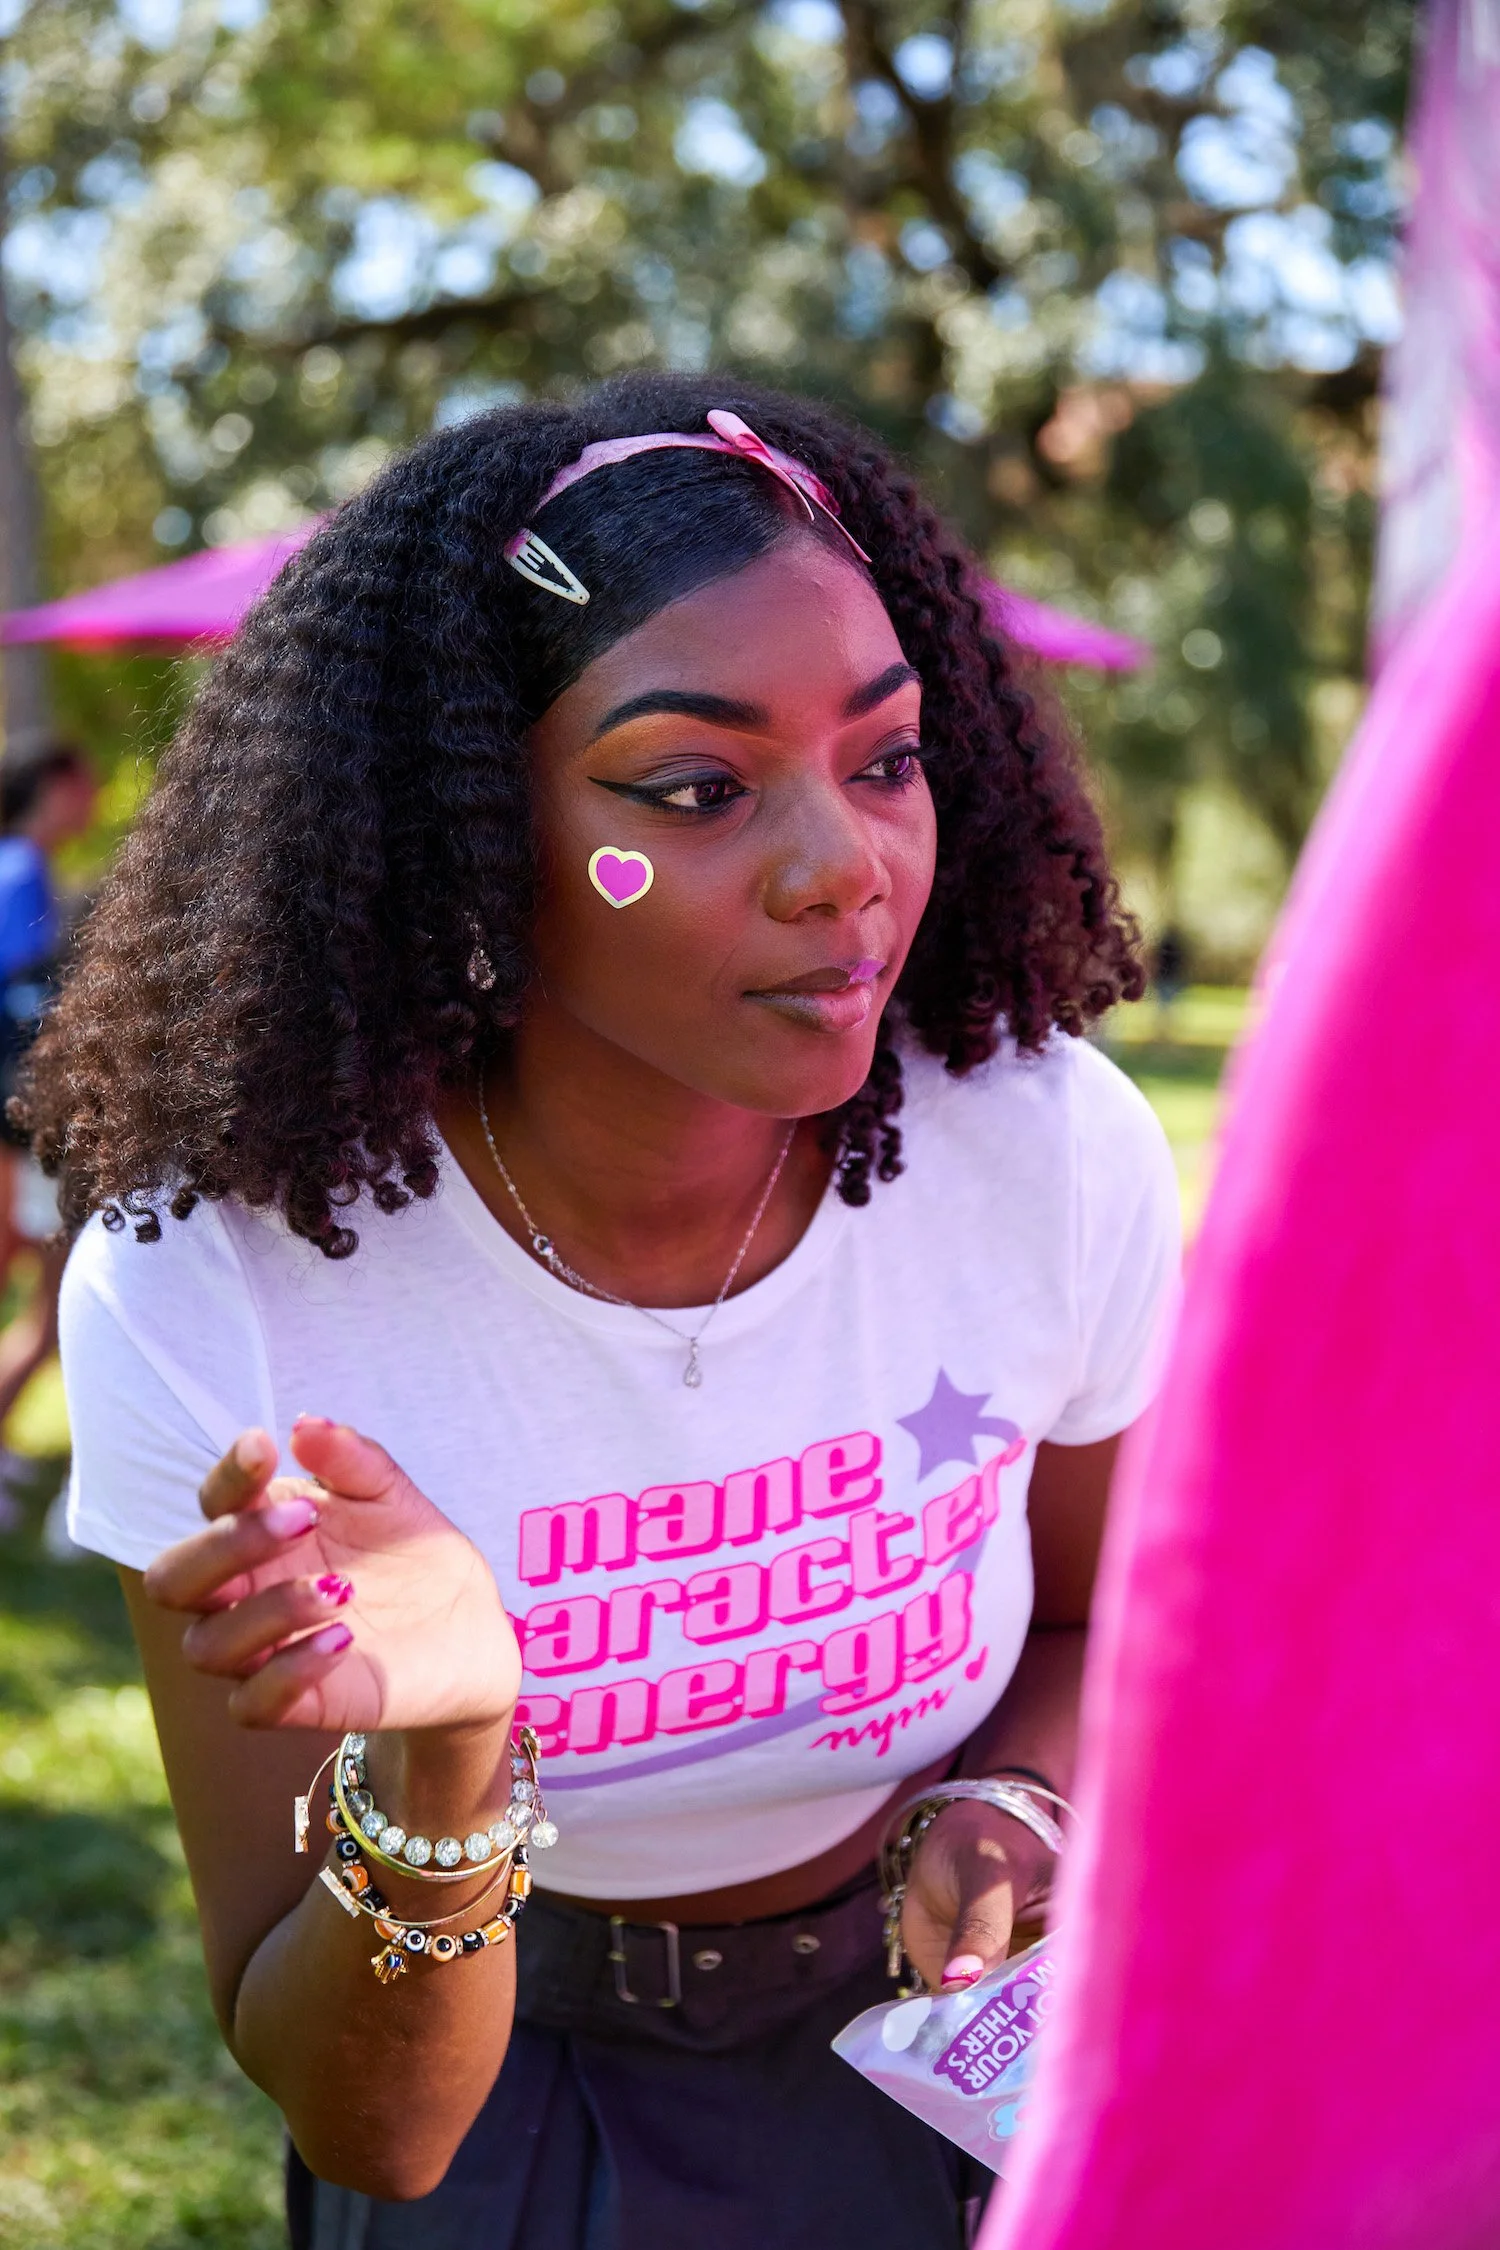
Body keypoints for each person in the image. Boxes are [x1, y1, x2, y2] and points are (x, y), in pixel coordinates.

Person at [22, 376, 1179, 2250]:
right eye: (696, 788)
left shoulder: (1040, 1157)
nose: (846, 866)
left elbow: (1097, 1613)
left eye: (885, 758)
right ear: (475, 836)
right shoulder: (221, 1284)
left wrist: (1024, 1803)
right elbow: (373, 2129)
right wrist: (454, 1755)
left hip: (926, 2049)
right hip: (499, 2056)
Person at [0, 735, 96, 1525]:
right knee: (53, 1305)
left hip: (23, 1130)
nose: (92, 801)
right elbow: (28, 1021)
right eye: (84, 784)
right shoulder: (19, 876)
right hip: (22, 1129)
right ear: (55, 789)